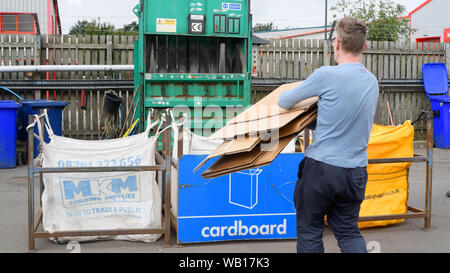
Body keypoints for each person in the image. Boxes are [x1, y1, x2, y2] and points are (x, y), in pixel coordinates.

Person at [278, 17, 379, 253]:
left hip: (322, 170)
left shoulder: (326, 75)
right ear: (364, 46)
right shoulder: (372, 82)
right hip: (355, 172)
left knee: (310, 231)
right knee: (348, 230)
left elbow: (285, 101)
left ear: (336, 44)